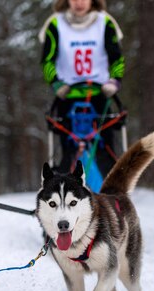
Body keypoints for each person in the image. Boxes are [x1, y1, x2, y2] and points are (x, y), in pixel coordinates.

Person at [39, 0, 125, 178]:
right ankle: (61, 199)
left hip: (100, 95)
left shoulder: (105, 22)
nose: (79, 3)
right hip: (67, 96)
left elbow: (117, 58)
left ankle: (114, 199)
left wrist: (114, 81)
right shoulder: (55, 23)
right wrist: (56, 83)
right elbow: (47, 60)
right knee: (68, 155)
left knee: (106, 155)